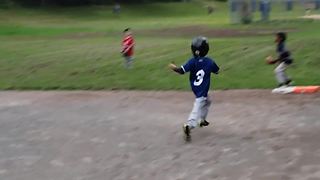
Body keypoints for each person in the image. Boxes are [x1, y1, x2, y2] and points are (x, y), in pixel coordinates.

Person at [168, 36, 220, 141]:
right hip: (202, 90)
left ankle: (202, 120)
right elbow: (217, 71)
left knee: (208, 101)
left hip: (195, 87)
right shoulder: (209, 61)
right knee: (198, 105)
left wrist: (174, 67)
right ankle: (189, 125)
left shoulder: (192, 61)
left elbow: (181, 71)